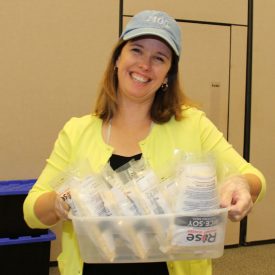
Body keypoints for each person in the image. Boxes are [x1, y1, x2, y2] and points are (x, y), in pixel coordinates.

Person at [23, 10, 266, 275]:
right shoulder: (77, 131)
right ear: (118, 58)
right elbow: (31, 212)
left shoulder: (193, 126)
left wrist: (241, 184)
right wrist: (60, 202)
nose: (145, 65)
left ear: (168, 74)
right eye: (136, 50)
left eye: (159, 58)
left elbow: (254, 179)